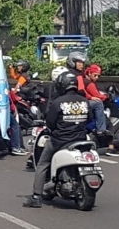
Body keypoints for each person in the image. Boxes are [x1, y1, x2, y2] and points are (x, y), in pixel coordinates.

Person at [24, 71, 90, 208]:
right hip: (81, 139)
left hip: (60, 141)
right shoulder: (84, 101)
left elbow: (50, 123)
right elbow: (89, 120)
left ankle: (36, 196)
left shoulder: (57, 102)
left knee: (42, 163)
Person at [66, 52, 109, 139]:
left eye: (82, 63)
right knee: (98, 103)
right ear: (72, 62)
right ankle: (101, 130)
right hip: (78, 103)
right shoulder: (79, 76)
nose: (82, 65)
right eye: (79, 62)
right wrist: (91, 97)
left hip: (67, 102)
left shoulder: (66, 74)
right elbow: (81, 90)